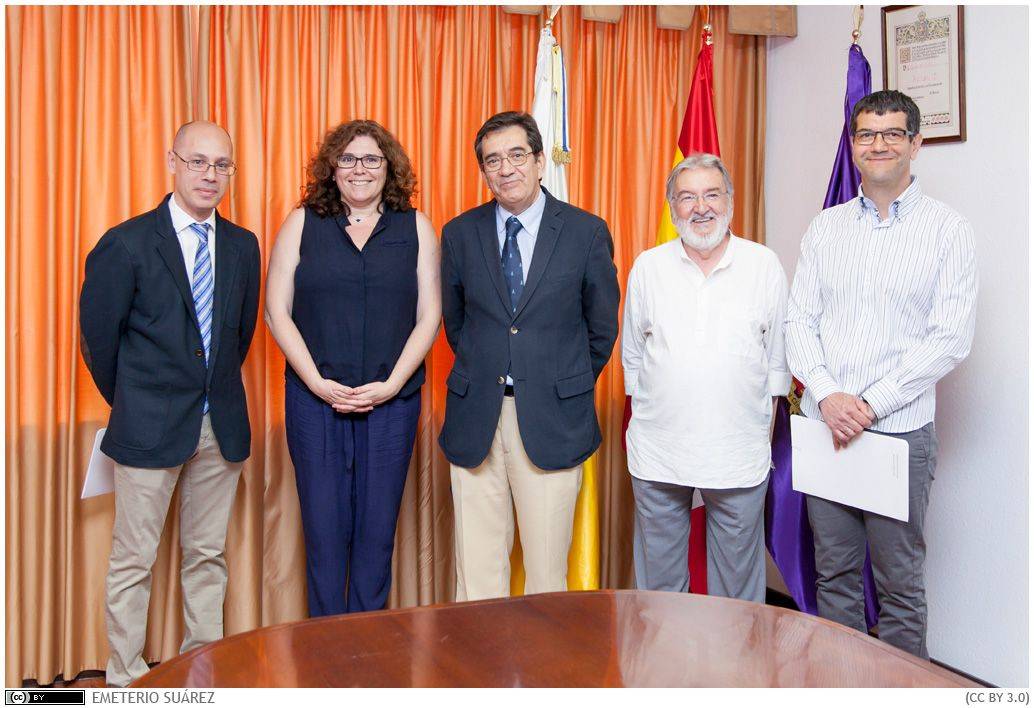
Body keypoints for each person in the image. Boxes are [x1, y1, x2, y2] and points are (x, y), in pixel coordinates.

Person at [785, 90, 977, 658]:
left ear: (916, 144)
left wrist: (869, 403)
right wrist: (825, 396)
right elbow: (799, 321)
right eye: (867, 134)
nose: (880, 144)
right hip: (829, 430)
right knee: (836, 578)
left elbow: (950, 337)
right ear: (854, 146)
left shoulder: (948, 231)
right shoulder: (826, 229)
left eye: (893, 133)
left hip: (899, 433)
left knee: (899, 586)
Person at [79, 121, 261, 686]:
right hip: (148, 423)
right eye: (198, 162)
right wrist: (136, 401)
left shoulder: (242, 245)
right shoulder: (126, 242)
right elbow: (98, 341)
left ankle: (200, 671)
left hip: (221, 425)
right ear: (172, 162)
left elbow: (239, 337)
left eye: (222, 165)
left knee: (208, 556)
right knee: (133, 561)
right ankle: (124, 680)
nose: (211, 175)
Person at [439, 111, 620, 601]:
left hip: (552, 419)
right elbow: (457, 324)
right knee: (477, 577)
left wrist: (555, 379)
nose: (505, 168)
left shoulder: (585, 232)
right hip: (476, 415)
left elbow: (602, 328)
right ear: (483, 171)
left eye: (517, 155)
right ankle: (478, 673)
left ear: (540, 162)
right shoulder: (459, 234)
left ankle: (546, 675)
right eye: (492, 160)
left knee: (546, 579)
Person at [264, 120, 440, 616]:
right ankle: (326, 656)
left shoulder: (416, 227)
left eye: (371, 160)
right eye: (348, 159)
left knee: (377, 534)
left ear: (389, 169)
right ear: (331, 168)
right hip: (314, 404)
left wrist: (392, 385)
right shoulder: (302, 223)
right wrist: (317, 383)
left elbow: (430, 315)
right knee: (323, 534)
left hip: (392, 405)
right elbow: (276, 310)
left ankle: (368, 654)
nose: (359, 169)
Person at [622, 154, 789, 602]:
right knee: (659, 594)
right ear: (672, 207)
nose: (701, 207)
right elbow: (633, 360)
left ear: (730, 201)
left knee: (737, 596)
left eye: (712, 194)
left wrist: (757, 436)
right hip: (658, 454)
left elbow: (777, 367)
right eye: (687, 197)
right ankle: (665, 671)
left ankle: (731, 673)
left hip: (736, 456)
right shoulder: (648, 267)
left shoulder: (764, 266)